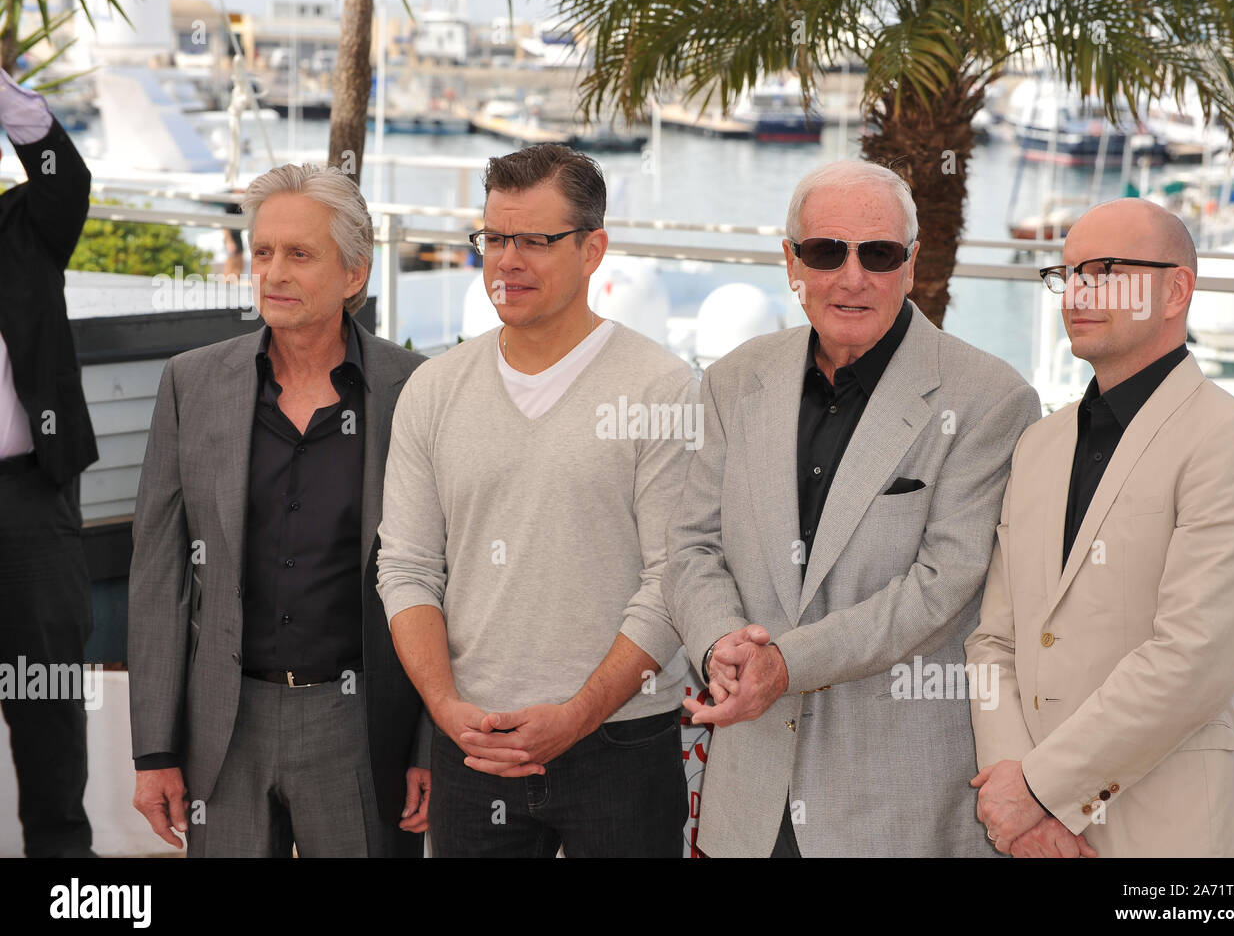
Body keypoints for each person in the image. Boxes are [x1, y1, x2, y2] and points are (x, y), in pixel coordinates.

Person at [663, 159, 1042, 857]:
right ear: (791, 261)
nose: (852, 276)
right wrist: (721, 643)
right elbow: (691, 547)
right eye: (825, 251)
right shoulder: (732, 380)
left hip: (896, 811)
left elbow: (943, 587)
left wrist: (783, 662)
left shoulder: (990, 398)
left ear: (911, 261)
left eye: (878, 253)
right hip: (747, 804)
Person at [377, 143, 694, 858]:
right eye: (494, 238)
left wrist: (578, 713)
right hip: (473, 747)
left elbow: (674, 578)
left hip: (621, 741)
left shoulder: (663, 390)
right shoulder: (434, 390)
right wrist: (446, 709)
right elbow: (407, 567)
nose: (507, 260)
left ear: (593, 250)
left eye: (534, 240)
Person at [966, 197, 1234, 857]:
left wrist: (1038, 792)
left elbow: (1191, 659)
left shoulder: (1233, 438)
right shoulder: (1039, 444)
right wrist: (1016, 801)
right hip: (1031, 832)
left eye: (1105, 270)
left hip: (1168, 834)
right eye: (1068, 272)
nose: (1076, 291)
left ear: (1176, 290)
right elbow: (995, 638)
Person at [128, 163, 431, 857]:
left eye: (300, 254)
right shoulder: (191, 383)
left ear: (354, 273)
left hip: (358, 726)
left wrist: (427, 742)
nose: (274, 272)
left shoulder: (413, 389)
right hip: (223, 728)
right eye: (262, 252)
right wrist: (154, 750)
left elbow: (443, 574)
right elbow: (157, 581)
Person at [0, 66, 95, 857]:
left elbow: (64, 170)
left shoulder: (27, 226)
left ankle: (64, 871)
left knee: (46, 696)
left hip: (29, 498)